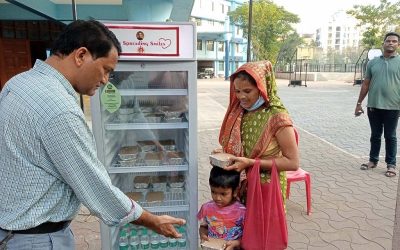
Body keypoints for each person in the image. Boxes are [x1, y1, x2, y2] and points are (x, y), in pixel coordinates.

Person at [0, 20, 185, 249]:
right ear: (81, 56)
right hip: (36, 240)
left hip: (11, 233)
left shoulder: (18, 83)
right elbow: (96, 188)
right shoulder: (59, 110)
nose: (106, 80)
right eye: (106, 69)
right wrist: (153, 221)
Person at [215, 60, 299, 248]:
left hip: (266, 188)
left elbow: (292, 162)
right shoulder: (240, 112)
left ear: (262, 88)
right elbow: (239, 145)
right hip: (242, 184)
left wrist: (251, 163)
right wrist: (225, 152)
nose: (241, 97)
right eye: (237, 91)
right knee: (241, 232)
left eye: (247, 91)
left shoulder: (277, 117)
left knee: (263, 238)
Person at [355, 31, 400, 177]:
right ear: (383, 43)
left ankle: (391, 165)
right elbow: (366, 84)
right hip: (373, 106)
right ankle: (372, 160)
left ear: (398, 45)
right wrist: (359, 103)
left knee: (390, 136)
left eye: (394, 41)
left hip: (393, 107)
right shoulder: (373, 62)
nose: (391, 43)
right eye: (388, 41)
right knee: (375, 135)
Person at [197, 166, 246, 250]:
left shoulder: (242, 211)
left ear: (235, 191)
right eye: (213, 192)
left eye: (223, 194)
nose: (217, 198)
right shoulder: (206, 208)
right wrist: (203, 235)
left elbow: (249, 235)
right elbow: (203, 226)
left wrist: (237, 242)